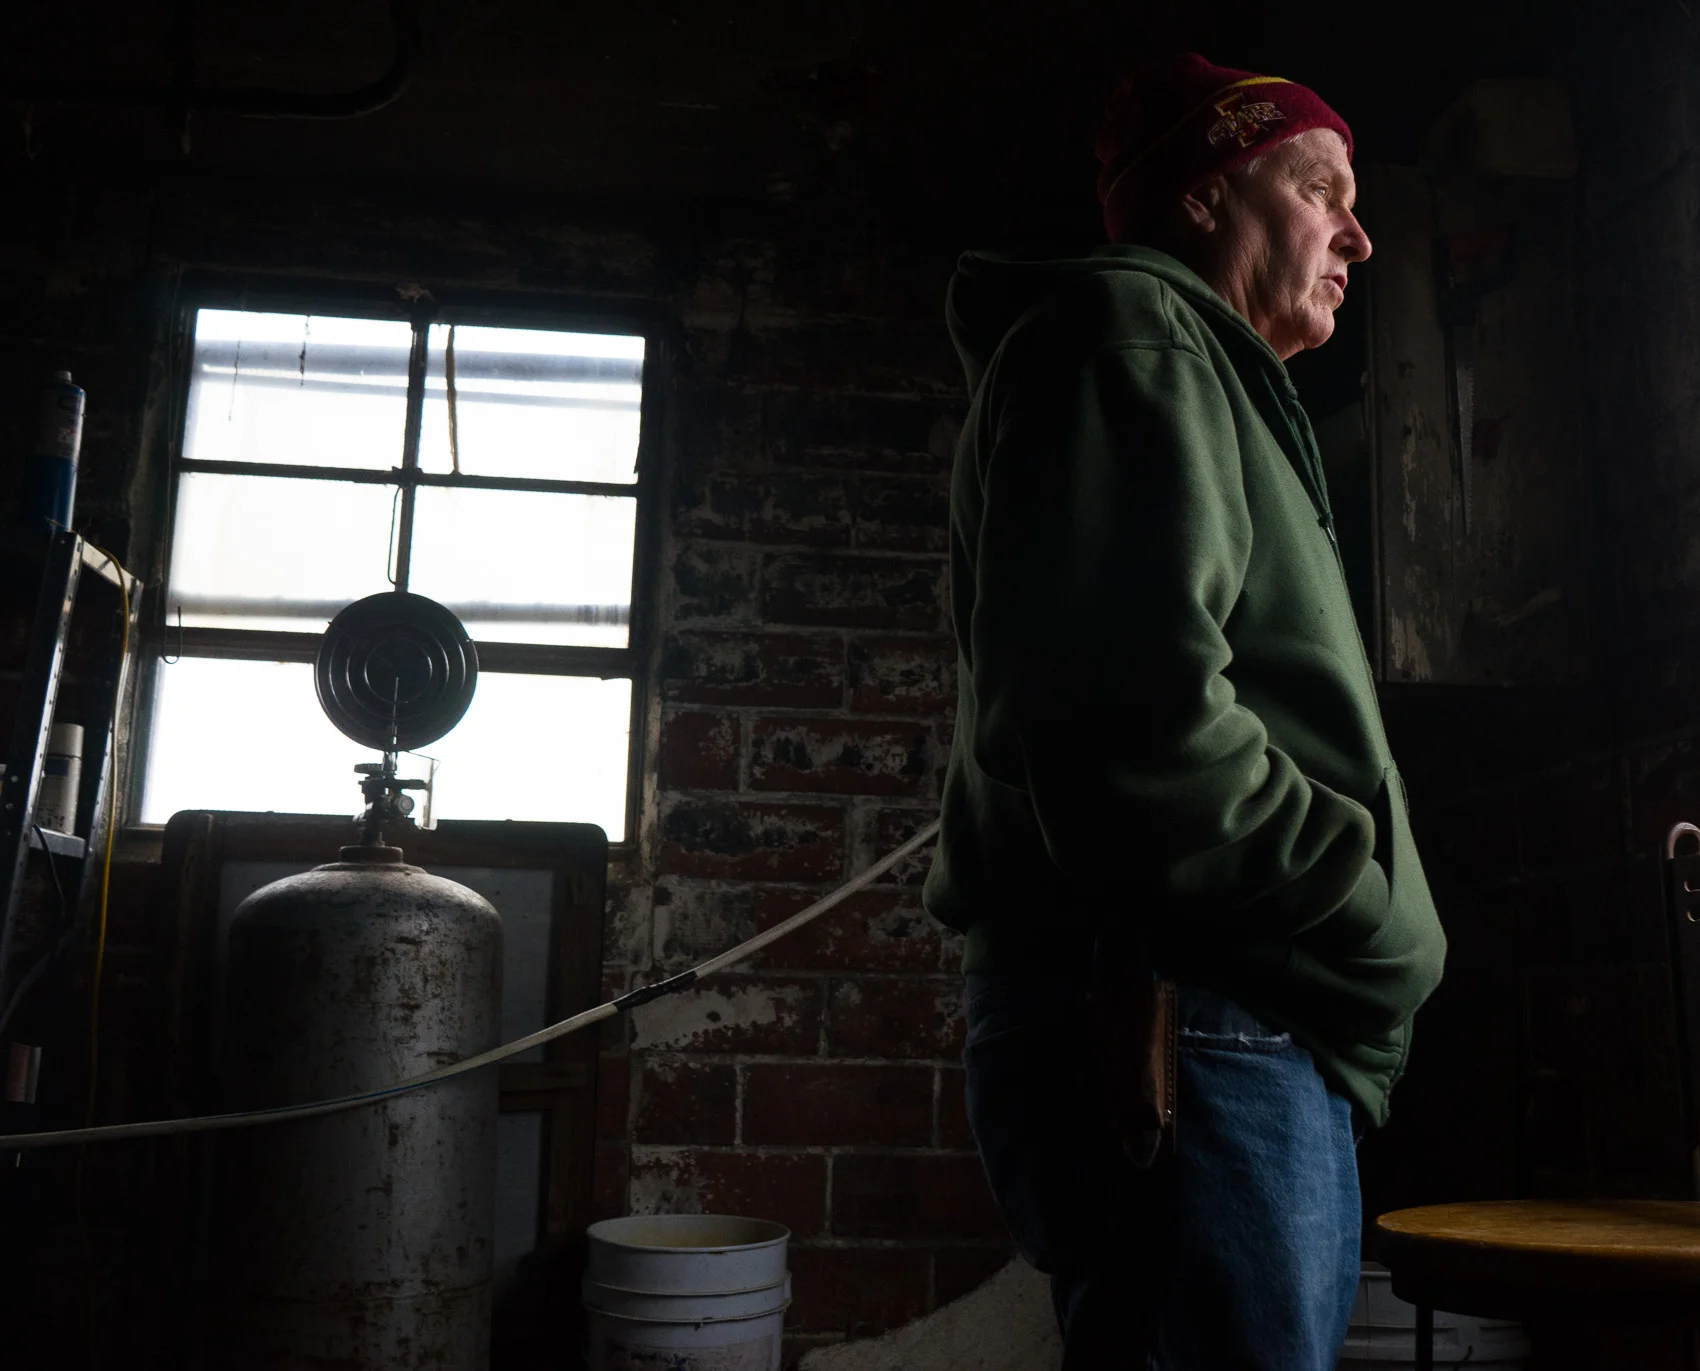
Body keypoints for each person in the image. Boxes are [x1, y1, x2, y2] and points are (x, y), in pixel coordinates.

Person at [922, 53, 1448, 1369]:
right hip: (1193, 1008)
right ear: (1209, 194)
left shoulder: (1195, 374)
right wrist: (1373, 916)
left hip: (1227, 1008)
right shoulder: (1130, 340)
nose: (1359, 232)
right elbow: (1141, 741)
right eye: (1321, 186)